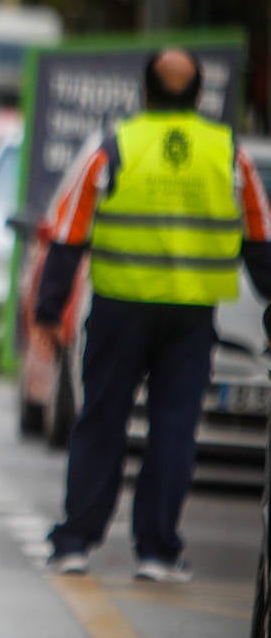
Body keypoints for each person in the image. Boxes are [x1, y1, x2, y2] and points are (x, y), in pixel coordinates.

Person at [35, 48, 271, 582]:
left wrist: (49, 310)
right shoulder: (228, 153)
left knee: (102, 420)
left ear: (143, 92)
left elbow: (68, 229)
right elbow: (260, 236)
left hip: (121, 308)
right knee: (173, 429)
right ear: (197, 95)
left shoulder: (114, 146)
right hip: (190, 317)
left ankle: (76, 541)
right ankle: (158, 551)